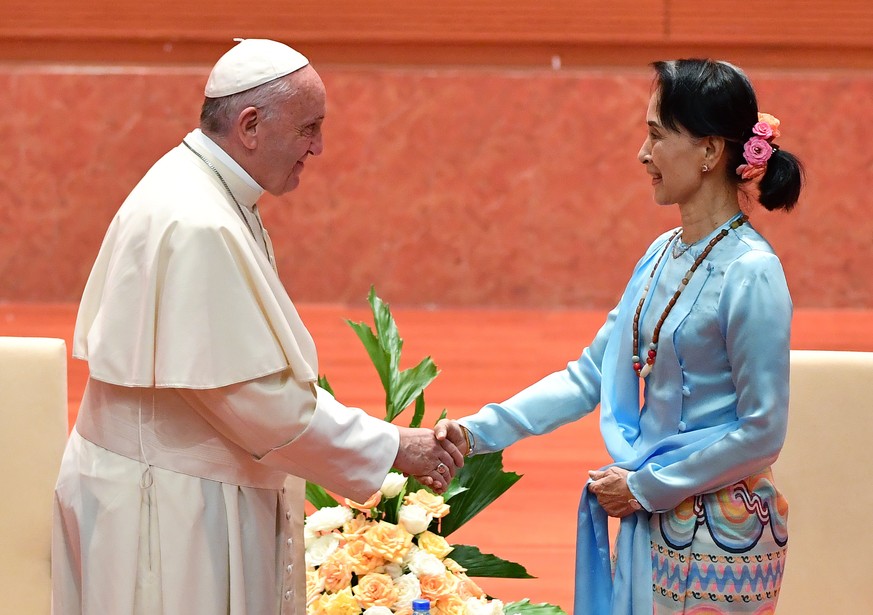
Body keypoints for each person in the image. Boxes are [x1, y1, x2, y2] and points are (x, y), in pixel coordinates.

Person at [52, 38, 463, 615]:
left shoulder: (206, 190)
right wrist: (394, 445)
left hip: (175, 487)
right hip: (165, 508)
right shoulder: (196, 221)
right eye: (308, 128)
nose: (318, 147)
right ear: (249, 126)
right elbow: (252, 399)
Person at [437, 59, 802, 614]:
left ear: (709, 151)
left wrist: (644, 488)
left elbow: (762, 431)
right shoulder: (660, 255)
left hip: (724, 539)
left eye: (656, 135)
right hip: (653, 526)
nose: (643, 154)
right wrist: (472, 433)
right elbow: (588, 376)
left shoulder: (752, 271)